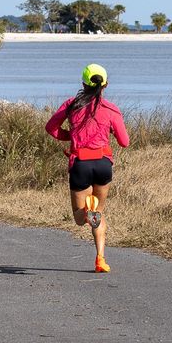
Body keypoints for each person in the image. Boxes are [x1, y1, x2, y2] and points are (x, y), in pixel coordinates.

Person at [45, 64, 130, 273]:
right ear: (106, 84)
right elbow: (124, 142)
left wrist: (70, 136)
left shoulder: (71, 104)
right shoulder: (111, 109)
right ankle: (100, 259)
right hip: (103, 164)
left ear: (83, 83)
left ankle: (86, 210)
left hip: (80, 164)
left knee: (78, 219)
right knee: (98, 215)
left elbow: (51, 128)